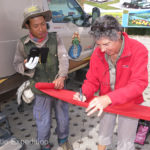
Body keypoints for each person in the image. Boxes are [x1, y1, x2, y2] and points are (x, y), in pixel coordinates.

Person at [73, 15, 148, 150]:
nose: (102, 50)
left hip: (130, 102)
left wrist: (109, 98)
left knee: (125, 142)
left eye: (106, 44)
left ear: (118, 35)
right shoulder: (98, 53)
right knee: (103, 133)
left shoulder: (138, 50)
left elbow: (139, 84)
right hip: (105, 100)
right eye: (98, 44)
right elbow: (92, 79)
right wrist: (84, 92)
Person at [13, 5, 73, 150]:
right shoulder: (23, 43)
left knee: (63, 116)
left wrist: (62, 77)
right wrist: (26, 66)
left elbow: (64, 58)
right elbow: (16, 64)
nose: (41, 29)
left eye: (43, 24)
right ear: (28, 26)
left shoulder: (55, 38)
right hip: (40, 90)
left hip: (58, 87)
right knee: (42, 120)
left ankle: (63, 140)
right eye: (36, 26)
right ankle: (44, 144)